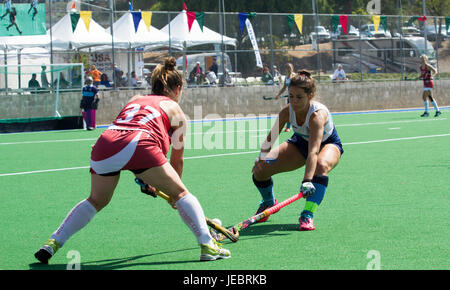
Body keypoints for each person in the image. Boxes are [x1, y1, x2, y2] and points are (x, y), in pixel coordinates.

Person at [34, 57, 231, 264]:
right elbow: (176, 160)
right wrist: (175, 195)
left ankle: (53, 241)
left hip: (105, 144)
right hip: (139, 144)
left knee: (96, 200)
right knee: (182, 193)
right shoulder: (176, 111)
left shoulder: (135, 99)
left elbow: (124, 140)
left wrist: (148, 179)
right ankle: (208, 245)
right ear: (178, 88)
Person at [251, 70, 343, 231]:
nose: (294, 101)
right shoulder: (287, 111)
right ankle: (269, 202)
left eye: (299, 97)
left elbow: (313, 151)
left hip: (327, 144)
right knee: (261, 170)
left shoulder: (317, 116)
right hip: (300, 143)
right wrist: (261, 157)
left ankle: (307, 214)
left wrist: (307, 181)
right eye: (291, 96)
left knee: (320, 166)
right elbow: (270, 138)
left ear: (310, 95)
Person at [275, 63, 296, 132]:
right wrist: (278, 94)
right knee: (289, 112)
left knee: (296, 111)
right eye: (287, 68)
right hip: (290, 98)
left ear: (292, 68)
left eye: (290, 68)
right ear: (286, 69)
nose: (289, 69)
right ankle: (288, 127)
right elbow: (284, 88)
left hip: (296, 97)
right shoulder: (286, 77)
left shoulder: (295, 76)